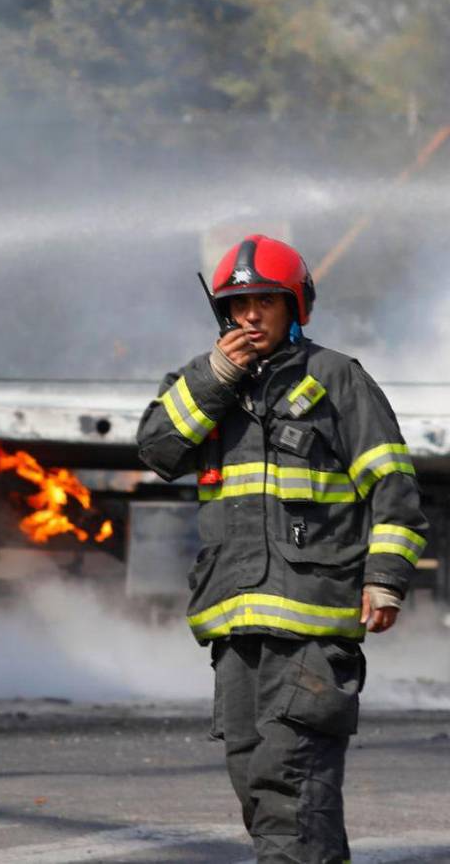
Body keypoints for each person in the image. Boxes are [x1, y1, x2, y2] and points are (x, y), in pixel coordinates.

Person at [137, 235, 428, 863]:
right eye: (237, 305)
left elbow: (392, 485)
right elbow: (159, 449)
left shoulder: (335, 379)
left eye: (265, 301)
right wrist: (216, 376)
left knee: (291, 791)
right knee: (261, 792)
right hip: (237, 628)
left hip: (310, 629)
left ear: (296, 305)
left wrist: (385, 578)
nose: (250, 316)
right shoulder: (206, 384)